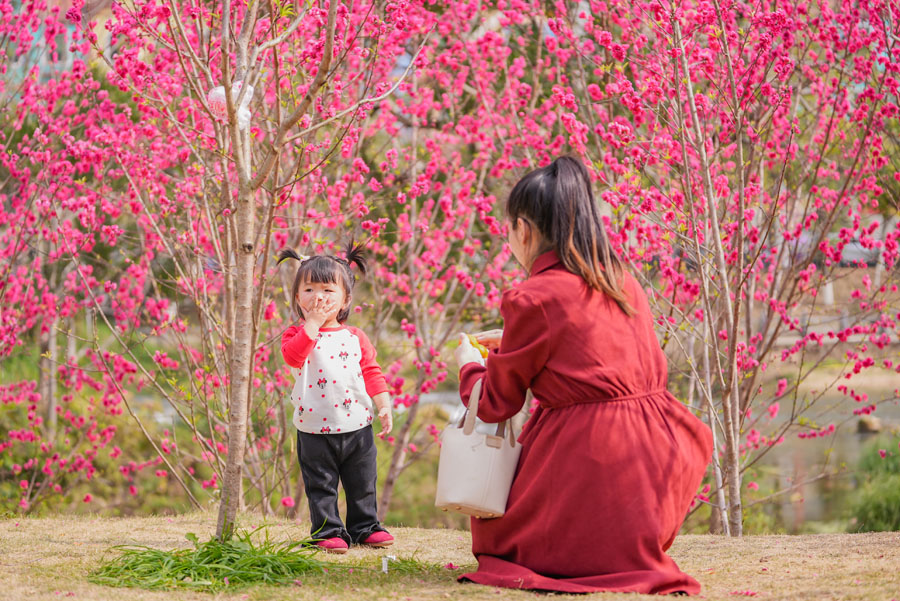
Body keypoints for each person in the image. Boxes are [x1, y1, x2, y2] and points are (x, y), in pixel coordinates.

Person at [454, 156, 714, 594]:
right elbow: (589, 354)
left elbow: (497, 402)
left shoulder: (532, 297)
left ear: (524, 228)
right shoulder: (619, 279)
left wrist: (469, 364)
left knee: (499, 538)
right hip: (658, 462)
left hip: (590, 457)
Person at [279, 243, 394, 554]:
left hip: (357, 426)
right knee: (321, 487)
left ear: (345, 300)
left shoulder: (355, 337)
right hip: (314, 430)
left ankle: (365, 526)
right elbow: (293, 358)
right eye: (309, 289)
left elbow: (372, 371)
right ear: (297, 297)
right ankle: (328, 531)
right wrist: (312, 324)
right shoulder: (295, 335)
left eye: (328, 290)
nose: (318, 297)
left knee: (362, 483)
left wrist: (384, 405)